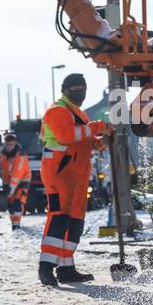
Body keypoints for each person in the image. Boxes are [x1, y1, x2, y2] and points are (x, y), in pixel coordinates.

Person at [38, 74, 110, 286]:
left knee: (75, 223)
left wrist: (102, 142)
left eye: (83, 88)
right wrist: (97, 127)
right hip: (59, 171)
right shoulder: (57, 110)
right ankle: (46, 267)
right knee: (59, 218)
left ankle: (66, 268)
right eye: (76, 88)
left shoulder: (80, 114)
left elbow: (86, 143)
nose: (81, 92)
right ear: (65, 90)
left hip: (77, 174)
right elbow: (66, 137)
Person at [0, 134, 31, 232]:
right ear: (5, 144)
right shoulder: (3, 156)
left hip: (22, 181)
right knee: (10, 204)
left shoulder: (20, 155)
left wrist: (11, 190)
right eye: (8, 144)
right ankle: (14, 224)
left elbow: (17, 174)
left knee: (17, 202)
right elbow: (4, 172)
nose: (9, 147)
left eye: (11, 144)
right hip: (10, 183)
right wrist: (5, 185)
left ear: (15, 144)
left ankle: (16, 227)